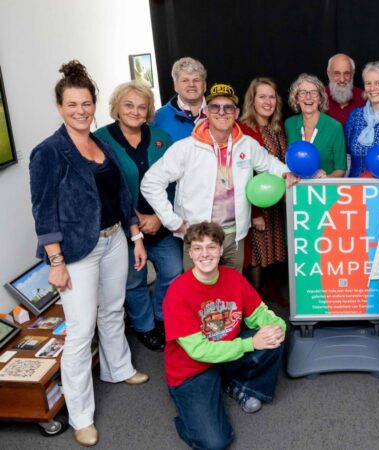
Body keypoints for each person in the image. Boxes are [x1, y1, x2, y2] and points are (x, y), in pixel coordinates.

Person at [29, 61, 149, 447]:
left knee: (113, 310)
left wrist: (135, 236)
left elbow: (120, 196)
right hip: (77, 252)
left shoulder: (100, 143)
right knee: (80, 333)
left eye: (86, 103)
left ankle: (119, 368)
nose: (80, 110)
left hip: (114, 239)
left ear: (94, 104)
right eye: (72, 104)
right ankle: (81, 416)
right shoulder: (48, 152)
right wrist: (56, 262)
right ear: (60, 107)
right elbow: (44, 211)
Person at [141, 83, 299, 271]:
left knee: (230, 292)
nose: (222, 112)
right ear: (207, 111)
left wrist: (286, 171)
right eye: (215, 107)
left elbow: (269, 162)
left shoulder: (247, 144)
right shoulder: (186, 148)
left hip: (234, 236)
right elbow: (150, 182)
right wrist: (172, 221)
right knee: (199, 294)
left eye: (228, 107)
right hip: (199, 238)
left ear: (237, 112)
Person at [163, 221, 285, 450]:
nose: (205, 254)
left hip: (227, 352)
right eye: (198, 248)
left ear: (221, 249)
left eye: (211, 247)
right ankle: (191, 416)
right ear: (190, 253)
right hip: (191, 370)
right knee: (214, 443)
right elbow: (198, 351)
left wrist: (277, 328)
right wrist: (250, 343)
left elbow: (261, 314)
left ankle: (241, 386)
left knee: (272, 339)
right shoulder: (178, 292)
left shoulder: (233, 278)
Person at [95, 81, 182, 352]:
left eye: (142, 107)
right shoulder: (101, 139)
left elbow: (175, 183)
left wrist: (158, 216)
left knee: (173, 271)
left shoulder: (161, 138)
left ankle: (160, 316)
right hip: (124, 226)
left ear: (149, 111)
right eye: (129, 105)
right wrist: (135, 219)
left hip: (161, 221)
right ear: (117, 107)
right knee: (134, 279)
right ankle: (144, 325)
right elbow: (104, 188)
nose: (135, 111)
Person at [237, 77, 290, 307]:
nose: (267, 101)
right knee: (258, 253)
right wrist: (255, 212)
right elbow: (244, 174)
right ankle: (255, 299)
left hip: (277, 202)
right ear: (252, 99)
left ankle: (271, 292)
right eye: (262, 96)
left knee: (276, 250)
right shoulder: (243, 129)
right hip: (256, 202)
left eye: (272, 96)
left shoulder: (278, 128)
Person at [285, 73, 347, 177]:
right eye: (302, 93)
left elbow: (341, 169)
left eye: (314, 93)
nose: (308, 97)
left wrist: (325, 179)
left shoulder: (335, 127)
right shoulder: (289, 124)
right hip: (296, 188)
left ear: (320, 99)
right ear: (296, 99)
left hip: (324, 190)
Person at [154, 57, 207, 142]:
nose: (191, 84)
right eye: (185, 80)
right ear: (175, 85)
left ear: (204, 85)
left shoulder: (221, 114)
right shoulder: (158, 117)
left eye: (196, 80)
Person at [325, 53, 366, 126]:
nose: (342, 79)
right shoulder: (319, 98)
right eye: (337, 73)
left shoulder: (364, 98)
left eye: (346, 73)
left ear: (352, 74)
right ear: (329, 74)